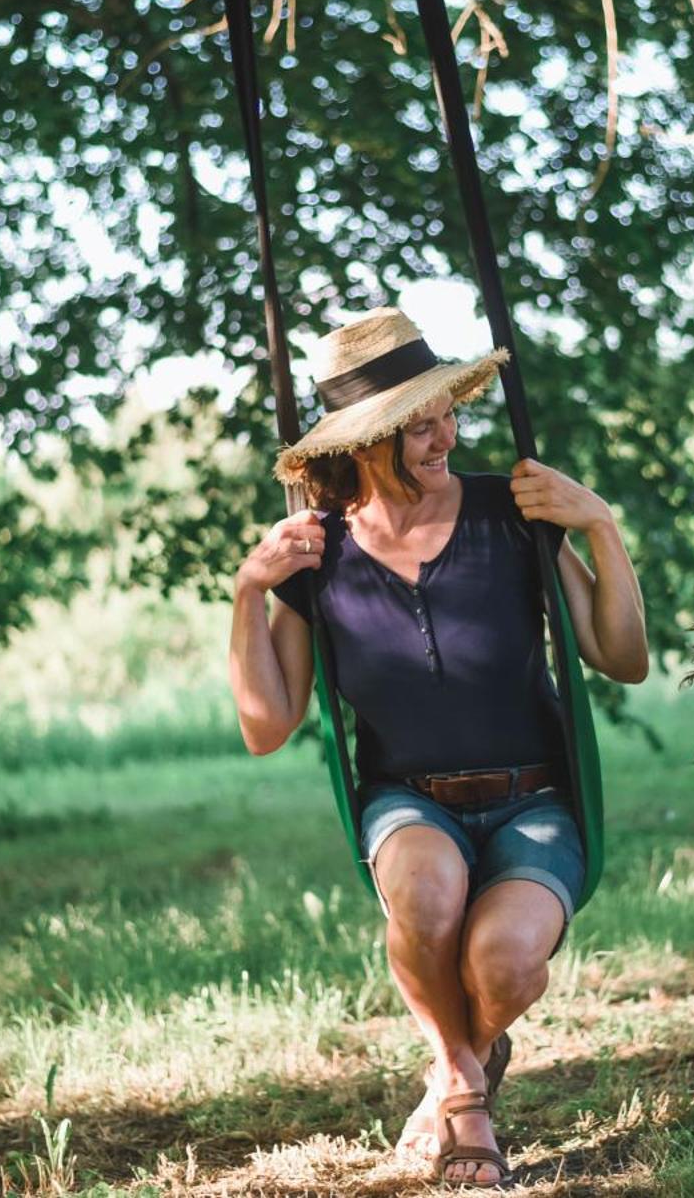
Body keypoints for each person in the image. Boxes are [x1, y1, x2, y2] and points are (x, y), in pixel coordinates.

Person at [227, 307, 649, 1186]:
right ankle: (464, 1088)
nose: (442, 434)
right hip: (409, 801)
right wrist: (247, 590)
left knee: (504, 959)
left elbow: (623, 657)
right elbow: (267, 727)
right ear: (365, 442)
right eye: (416, 423)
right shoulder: (321, 553)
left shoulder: (508, 511)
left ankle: (457, 1057)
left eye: (445, 413)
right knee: (425, 890)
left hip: (535, 799)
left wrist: (599, 527)